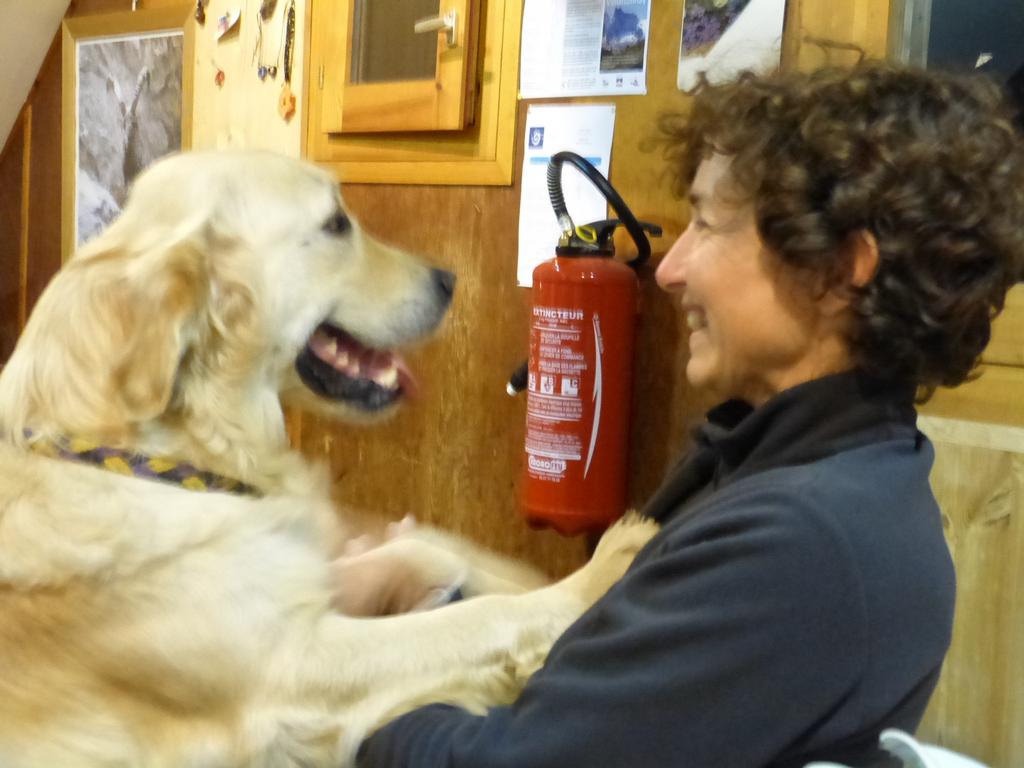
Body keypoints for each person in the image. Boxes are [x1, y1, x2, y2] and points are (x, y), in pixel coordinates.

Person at [355, 62, 1024, 767]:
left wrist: (332, 683)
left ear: (840, 270)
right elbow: (610, 667)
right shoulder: (789, 460)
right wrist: (439, 588)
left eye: (706, 223)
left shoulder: (800, 543)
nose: (670, 269)